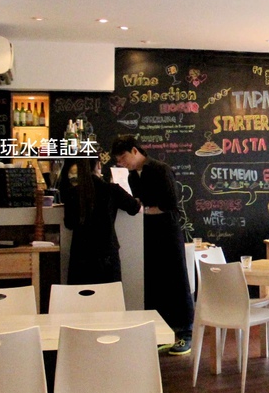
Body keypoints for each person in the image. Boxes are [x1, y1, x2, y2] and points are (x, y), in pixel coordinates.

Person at [110, 135, 194, 355]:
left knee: (177, 281)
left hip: (168, 232)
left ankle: (186, 333)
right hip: (148, 233)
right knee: (155, 283)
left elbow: (169, 205)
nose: (121, 162)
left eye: (123, 157)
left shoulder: (160, 169)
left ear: (135, 151)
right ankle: (163, 332)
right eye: (118, 160)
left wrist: (143, 210)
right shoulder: (132, 175)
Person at [58, 157, 141, 285]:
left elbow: (69, 224)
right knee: (110, 295)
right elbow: (135, 208)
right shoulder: (111, 190)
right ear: (98, 165)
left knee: (80, 296)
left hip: (81, 256)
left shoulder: (72, 193)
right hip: (107, 255)